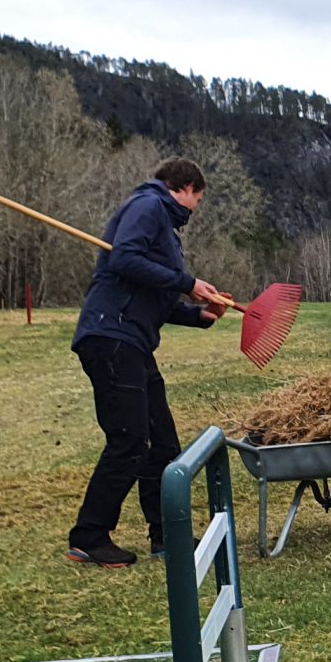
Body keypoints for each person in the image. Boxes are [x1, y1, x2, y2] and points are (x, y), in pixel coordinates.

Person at [66, 158, 230, 568]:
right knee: (129, 440)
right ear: (186, 188)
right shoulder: (148, 205)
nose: (195, 210)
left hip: (134, 343)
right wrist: (188, 282)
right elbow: (124, 259)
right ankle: (89, 537)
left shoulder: (164, 229)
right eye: (198, 200)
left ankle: (167, 536)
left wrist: (199, 314)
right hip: (111, 337)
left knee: (164, 443)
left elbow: (155, 296)